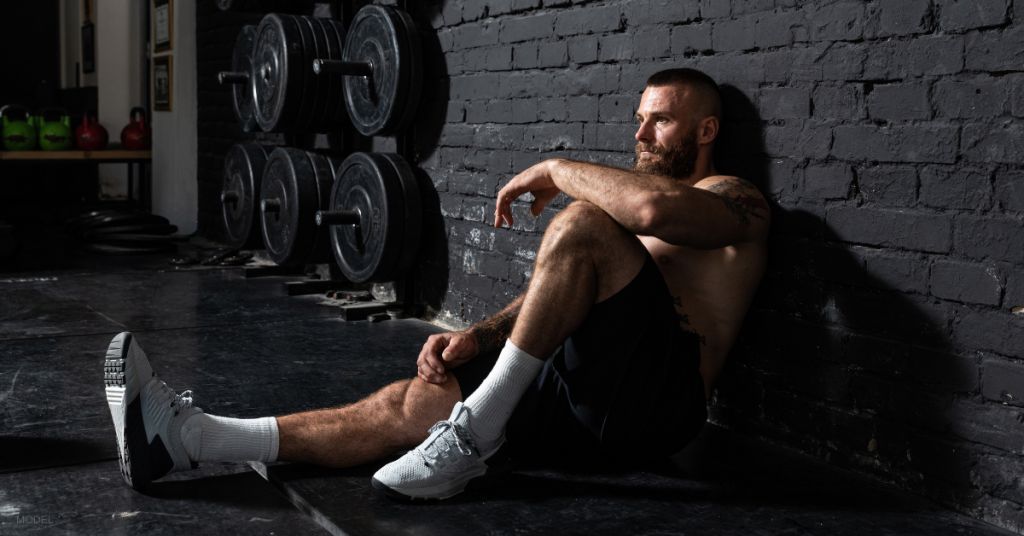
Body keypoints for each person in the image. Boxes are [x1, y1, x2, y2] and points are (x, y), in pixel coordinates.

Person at [103, 68, 770, 501]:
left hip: (657, 406)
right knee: (414, 401)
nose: (641, 132)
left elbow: (652, 212)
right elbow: (557, 290)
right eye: (640, 117)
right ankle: (190, 440)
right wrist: (477, 338)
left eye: (661, 120)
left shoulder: (735, 198)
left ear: (706, 130)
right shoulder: (626, 206)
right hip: (582, 389)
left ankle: (470, 440)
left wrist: (554, 167)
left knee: (582, 222)